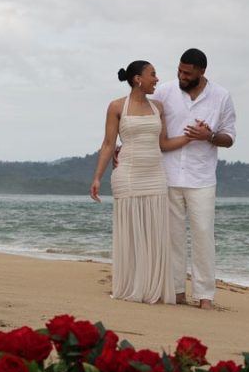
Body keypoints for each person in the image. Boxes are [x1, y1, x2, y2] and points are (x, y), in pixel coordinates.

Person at [90, 61, 190, 304]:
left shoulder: (158, 107)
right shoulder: (116, 106)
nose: (156, 79)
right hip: (128, 175)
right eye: (152, 75)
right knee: (131, 233)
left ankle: (153, 288)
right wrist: (97, 178)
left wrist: (191, 137)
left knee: (156, 233)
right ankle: (132, 285)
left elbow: (163, 144)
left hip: (155, 175)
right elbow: (108, 144)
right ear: (138, 79)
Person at [152, 48, 236, 309]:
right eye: (179, 70)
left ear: (201, 72)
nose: (181, 75)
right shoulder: (164, 91)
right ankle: (176, 291)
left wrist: (208, 136)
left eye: (187, 73)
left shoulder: (221, 96)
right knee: (173, 236)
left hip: (202, 177)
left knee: (203, 235)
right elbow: (146, 120)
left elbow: (230, 138)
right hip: (168, 174)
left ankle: (204, 296)